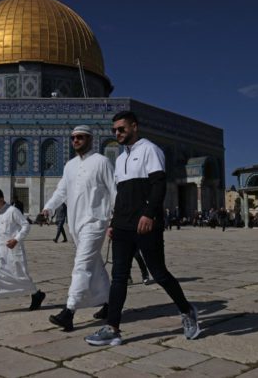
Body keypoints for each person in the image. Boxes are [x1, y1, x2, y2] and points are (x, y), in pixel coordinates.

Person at [85, 111, 200, 347]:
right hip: (123, 226)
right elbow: (121, 195)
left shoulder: (150, 149)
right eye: (114, 130)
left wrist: (149, 214)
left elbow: (158, 185)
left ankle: (187, 311)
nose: (117, 133)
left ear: (134, 127)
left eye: (121, 128)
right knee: (119, 277)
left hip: (146, 224)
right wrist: (114, 222)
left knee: (159, 273)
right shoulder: (120, 158)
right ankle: (113, 328)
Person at [41, 125, 115, 331]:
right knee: (96, 265)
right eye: (73, 138)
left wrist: (115, 220)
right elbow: (61, 191)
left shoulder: (102, 162)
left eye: (80, 137)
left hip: (95, 221)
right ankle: (110, 304)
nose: (76, 141)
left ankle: (69, 311)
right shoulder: (70, 165)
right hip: (75, 225)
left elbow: (114, 191)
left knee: (81, 264)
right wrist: (48, 208)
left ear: (90, 139)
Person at [0, 187, 46, 315]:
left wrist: (16, 239)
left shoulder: (13, 211)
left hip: (12, 252)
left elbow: (26, 225)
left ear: (1, 200)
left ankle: (36, 294)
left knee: (20, 276)